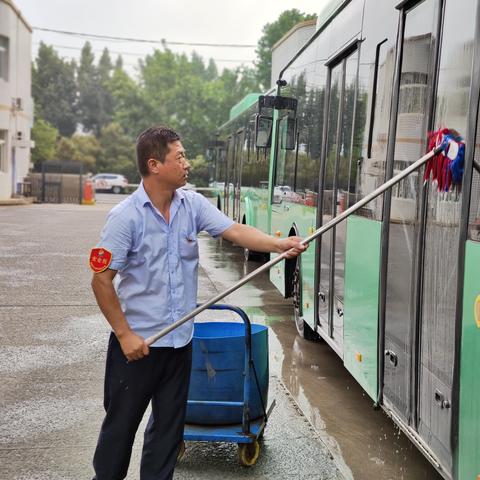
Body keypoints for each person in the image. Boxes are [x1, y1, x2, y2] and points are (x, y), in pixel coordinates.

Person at [90, 126, 307, 480]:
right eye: (180, 157)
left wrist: (279, 244)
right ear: (154, 164)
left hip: (180, 344)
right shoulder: (125, 218)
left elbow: (234, 230)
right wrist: (124, 334)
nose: (187, 163)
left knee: (167, 433)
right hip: (138, 347)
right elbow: (101, 281)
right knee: (119, 431)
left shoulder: (191, 205)